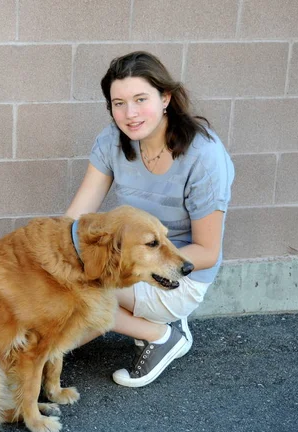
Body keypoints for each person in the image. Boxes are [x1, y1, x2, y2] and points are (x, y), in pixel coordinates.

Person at [66, 51, 235, 388]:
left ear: (165, 98)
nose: (129, 114)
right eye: (118, 103)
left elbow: (207, 252)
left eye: (140, 99)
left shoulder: (205, 157)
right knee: (63, 278)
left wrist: (116, 267)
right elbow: (74, 219)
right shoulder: (112, 141)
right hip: (134, 262)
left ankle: (159, 334)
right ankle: (38, 359)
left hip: (180, 277)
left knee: (85, 288)